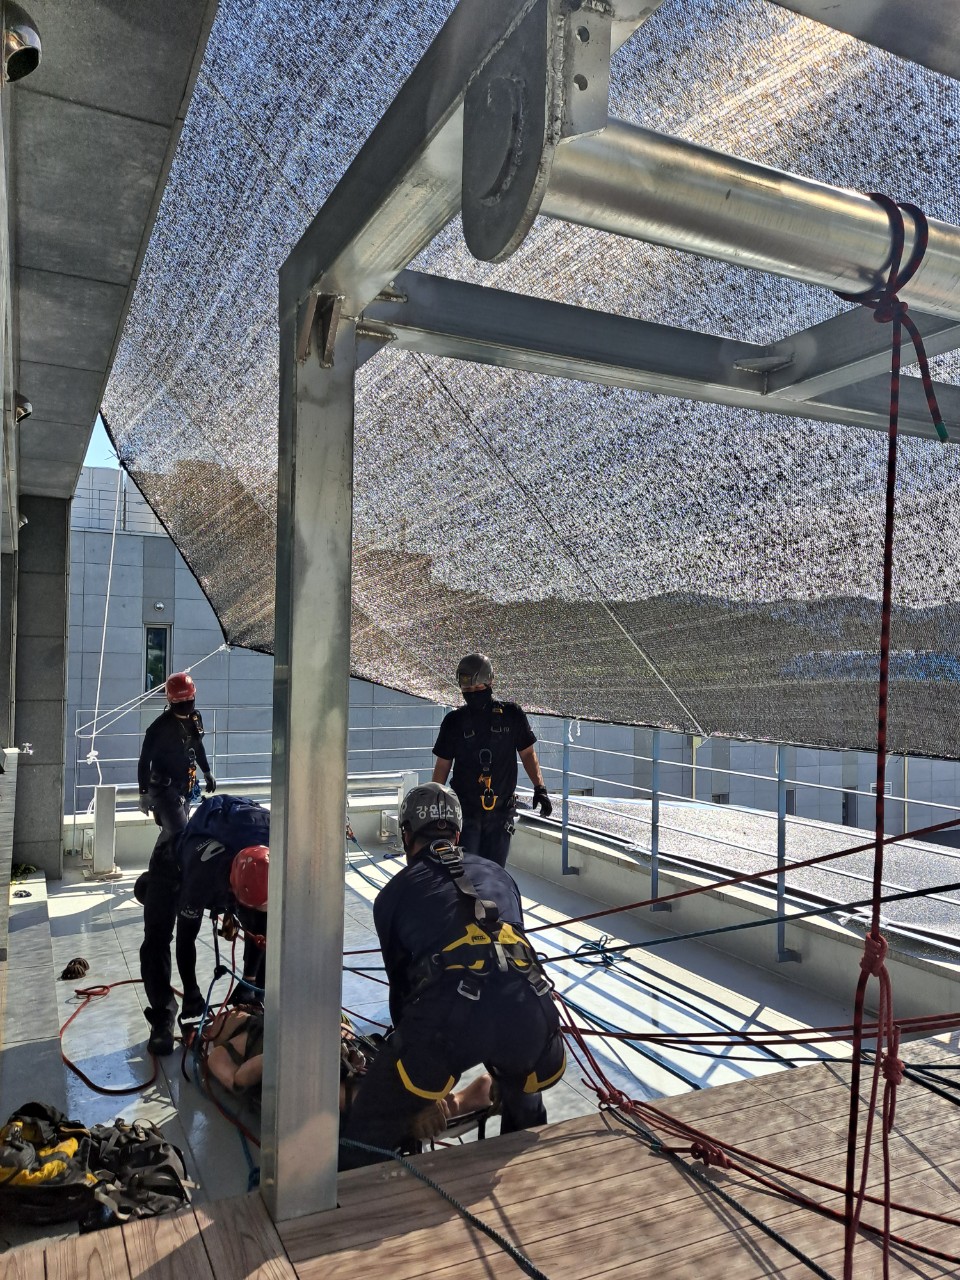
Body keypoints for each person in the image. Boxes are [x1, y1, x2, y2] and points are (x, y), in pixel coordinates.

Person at [339, 782, 565, 1170]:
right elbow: (511, 958)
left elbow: (404, 999)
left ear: (406, 835)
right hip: (532, 1013)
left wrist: (422, 1097)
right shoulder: (499, 875)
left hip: (450, 1020)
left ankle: (355, 1186)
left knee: (367, 1129)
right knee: (523, 1094)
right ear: (457, 835)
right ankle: (525, 1151)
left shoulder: (393, 896)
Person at [136, 672, 216, 1055]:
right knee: (156, 940)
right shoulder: (158, 729)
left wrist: (207, 771)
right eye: (181, 702)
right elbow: (143, 761)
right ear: (171, 702)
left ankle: (193, 1002)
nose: (186, 707)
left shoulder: (195, 720)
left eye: (189, 701)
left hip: (187, 852)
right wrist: (143, 793)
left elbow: (197, 747)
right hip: (166, 800)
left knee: (185, 938)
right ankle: (163, 1015)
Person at [432, 653, 552, 867]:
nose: (473, 693)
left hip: (501, 814)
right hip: (465, 813)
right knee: (465, 871)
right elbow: (443, 765)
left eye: (478, 688)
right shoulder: (454, 721)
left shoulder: (512, 715)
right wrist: (435, 801)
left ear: (490, 683)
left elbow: (527, 753)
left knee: (494, 872)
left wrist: (540, 788)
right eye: (468, 690)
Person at [175, 795, 270, 1026]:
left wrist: (249, 980)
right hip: (196, 847)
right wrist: (191, 990)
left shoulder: (277, 857)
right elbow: (185, 938)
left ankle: (258, 995)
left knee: (264, 928)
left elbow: (262, 929)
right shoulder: (199, 877)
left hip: (250, 836)